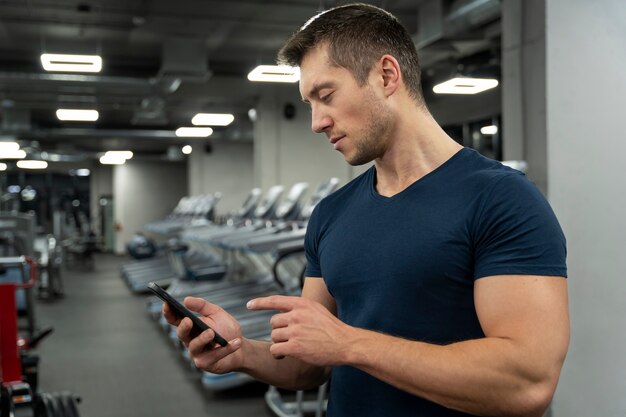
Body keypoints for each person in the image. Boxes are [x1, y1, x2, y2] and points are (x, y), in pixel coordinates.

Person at [164, 3, 569, 416]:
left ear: (386, 75)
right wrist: (241, 352)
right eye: (309, 103)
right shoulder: (331, 214)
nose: (316, 122)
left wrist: (349, 344)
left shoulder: (502, 200)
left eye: (326, 95)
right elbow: (309, 364)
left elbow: (527, 383)